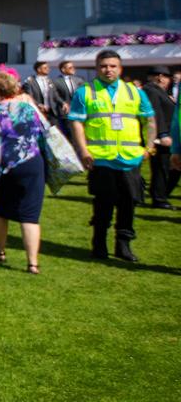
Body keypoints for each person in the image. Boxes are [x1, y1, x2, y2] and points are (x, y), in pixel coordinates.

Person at [69, 50, 155, 262]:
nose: (108, 70)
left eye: (113, 66)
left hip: (129, 158)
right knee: (103, 203)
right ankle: (99, 244)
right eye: (104, 66)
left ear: (120, 68)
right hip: (101, 158)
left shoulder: (135, 92)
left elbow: (150, 120)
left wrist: (149, 146)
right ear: (97, 68)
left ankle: (123, 245)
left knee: (129, 203)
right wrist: (83, 150)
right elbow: (76, 122)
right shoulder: (85, 92)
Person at [0, 72, 47, 274]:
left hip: (5, 165)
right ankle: (32, 263)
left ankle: (0, 251)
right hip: (32, 162)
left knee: (0, 209)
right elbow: (43, 129)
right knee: (30, 216)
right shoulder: (27, 108)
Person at [141, 66, 178, 210]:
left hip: (168, 135)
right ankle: (159, 198)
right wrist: (162, 134)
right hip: (161, 137)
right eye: (169, 78)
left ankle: (159, 194)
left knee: (170, 168)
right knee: (162, 168)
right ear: (160, 77)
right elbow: (155, 113)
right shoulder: (151, 90)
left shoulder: (160, 91)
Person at [51, 61, 84, 137]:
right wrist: (63, 103)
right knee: (70, 135)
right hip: (66, 113)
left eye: (73, 67)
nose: (73, 69)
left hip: (79, 112)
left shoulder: (79, 80)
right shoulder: (56, 82)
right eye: (70, 68)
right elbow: (55, 95)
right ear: (63, 69)